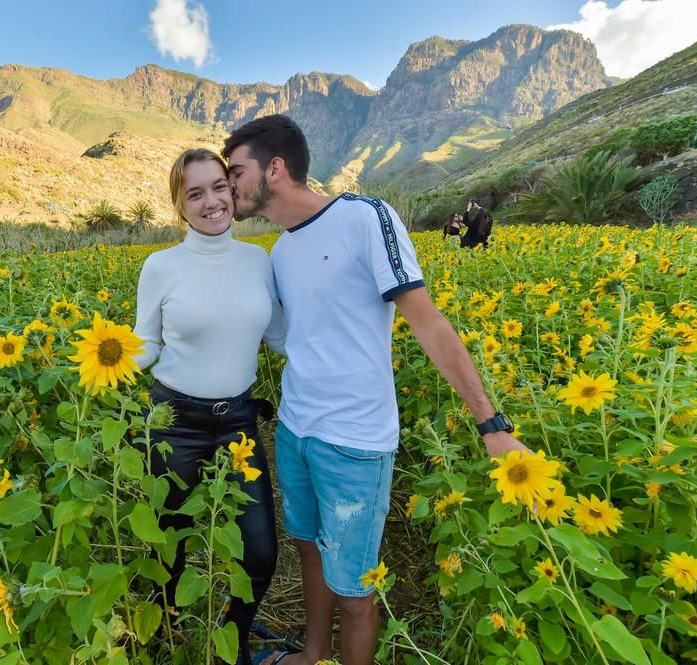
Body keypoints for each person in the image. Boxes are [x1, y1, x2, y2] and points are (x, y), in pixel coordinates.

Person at [221, 115, 527, 665]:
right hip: (295, 430)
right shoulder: (281, 251)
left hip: (355, 441)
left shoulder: (365, 217)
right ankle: (312, 655)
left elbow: (427, 321)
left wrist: (490, 423)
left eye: (236, 171)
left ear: (274, 168)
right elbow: (295, 337)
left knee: (357, 588)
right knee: (309, 550)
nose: (229, 184)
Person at [132, 148, 286, 665]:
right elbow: (146, 343)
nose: (211, 201)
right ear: (180, 205)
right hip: (175, 422)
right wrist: (106, 362)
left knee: (261, 552)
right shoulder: (160, 266)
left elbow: (282, 336)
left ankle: (231, 641)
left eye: (218, 186)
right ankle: (166, 639)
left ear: (232, 190)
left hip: (238, 421)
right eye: (195, 193)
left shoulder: (258, 261)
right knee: (168, 552)